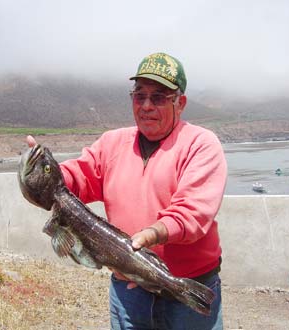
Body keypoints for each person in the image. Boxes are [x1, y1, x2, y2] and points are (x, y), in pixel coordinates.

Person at [27, 52, 227, 330]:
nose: (146, 105)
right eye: (139, 95)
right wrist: (47, 174)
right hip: (129, 291)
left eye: (158, 97)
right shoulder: (112, 143)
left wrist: (153, 234)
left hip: (187, 288)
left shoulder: (201, 144)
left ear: (180, 103)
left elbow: (193, 212)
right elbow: (79, 177)